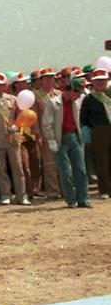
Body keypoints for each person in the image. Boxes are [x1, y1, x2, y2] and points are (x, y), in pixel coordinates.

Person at [0, 73, 30, 205]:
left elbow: (21, 117)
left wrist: (17, 126)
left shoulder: (13, 100)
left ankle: (21, 195)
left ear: (4, 86)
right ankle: (5, 194)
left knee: (18, 168)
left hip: (13, 139)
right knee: (1, 169)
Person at [42, 78, 90, 208]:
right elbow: (47, 124)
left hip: (75, 137)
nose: (79, 95)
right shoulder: (53, 103)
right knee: (65, 172)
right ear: (70, 91)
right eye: (78, 92)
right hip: (60, 139)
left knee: (81, 169)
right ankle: (71, 200)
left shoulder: (75, 103)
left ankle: (83, 198)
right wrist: (51, 140)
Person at [79, 68, 111, 199]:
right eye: (97, 81)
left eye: (102, 81)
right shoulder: (89, 98)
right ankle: (105, 189)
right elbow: (84, 117)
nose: (100, 83)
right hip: (98, 131)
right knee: (101, 161)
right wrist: (87, 133)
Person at [32, 67, 62, 199]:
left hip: (61, 132)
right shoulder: (36, 96)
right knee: (49, 164)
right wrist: (37, 134)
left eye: (51, 77)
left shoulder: (59, 94)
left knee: (63, 161)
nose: (50, 80)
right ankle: (53, 191)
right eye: (46, 78)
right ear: (41, 80)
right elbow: (35, 117)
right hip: (46, 134)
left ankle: (65, 188)